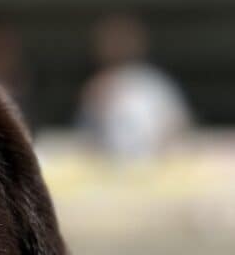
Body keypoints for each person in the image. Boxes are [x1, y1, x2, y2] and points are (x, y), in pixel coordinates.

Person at [76, 14, 191, 161]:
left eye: (122, 39)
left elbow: (179, 128)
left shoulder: (155, 84)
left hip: (154, 166)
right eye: (110, 40)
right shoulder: (96, 87)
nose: (116, 45)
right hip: (108, 169)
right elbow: (84, 137)